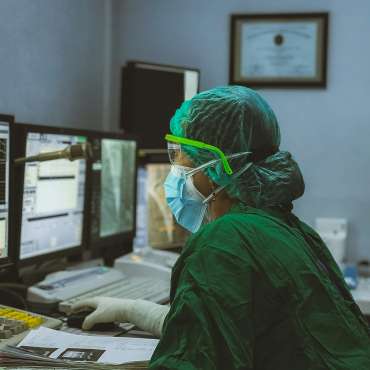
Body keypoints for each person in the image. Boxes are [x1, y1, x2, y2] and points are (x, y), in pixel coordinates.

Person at [72, 86, 370, 369]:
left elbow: (197, 359)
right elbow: (230, 331)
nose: (174, 166)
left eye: (179, 152)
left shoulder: (223, 242)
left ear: (215, 165)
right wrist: (133, 311)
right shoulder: (289, 228)